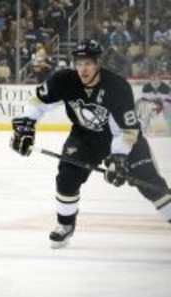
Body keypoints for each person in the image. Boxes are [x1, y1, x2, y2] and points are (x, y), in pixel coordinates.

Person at [11, 39, 171, 249]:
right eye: (78, 63)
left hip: (125, 138)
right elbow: (38, 103)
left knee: (148, 181)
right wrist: (26, 128)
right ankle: (65, 225)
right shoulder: (63, 80)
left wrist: (119, 158)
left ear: (97, 64)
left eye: (88, 63)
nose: (83, 69)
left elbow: (127, 130)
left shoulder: (117, 86)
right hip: (86, 136)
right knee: (67, 176)